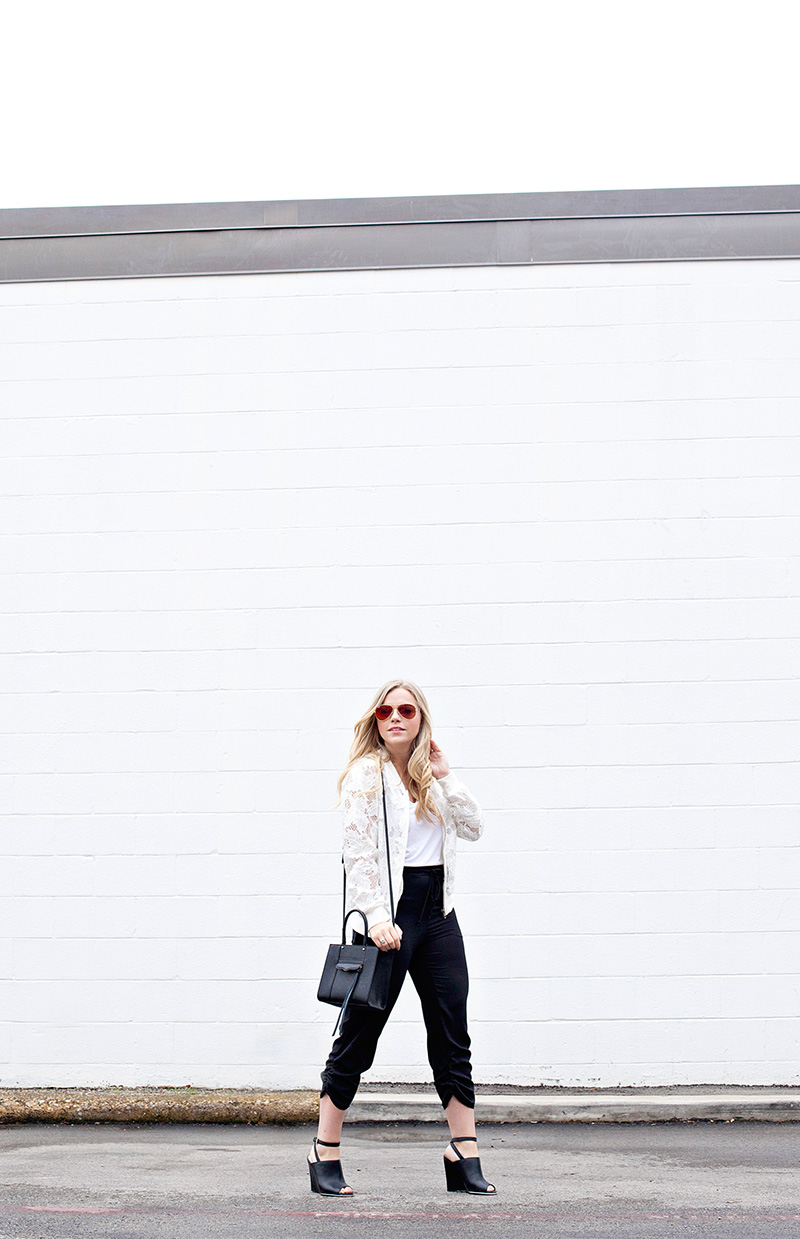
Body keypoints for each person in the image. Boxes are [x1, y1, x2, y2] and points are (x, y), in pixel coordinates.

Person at [308, 679, 495, 1197]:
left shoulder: (430, 776)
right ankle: (324, 1149)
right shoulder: (366, 774)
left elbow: (474, 827)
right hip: (389, 918)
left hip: (438, 914)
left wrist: (446, 775)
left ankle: (464, 1151)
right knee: (359, 1035)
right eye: (385, 710)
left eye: (406, 710)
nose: (395, 717)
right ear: (375, 719)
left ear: (419, 719)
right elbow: (358, 852)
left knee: (452, 1032)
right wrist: (375, 916)